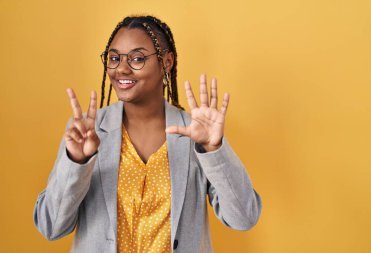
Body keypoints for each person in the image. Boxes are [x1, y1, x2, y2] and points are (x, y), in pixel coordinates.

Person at [33, 15, 262, 253]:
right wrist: (77, 163)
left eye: (137, 58)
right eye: (114, 58)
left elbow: (244, 218)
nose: (121, 68)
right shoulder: (87, 133)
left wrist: (214, 150)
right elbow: (51, 226)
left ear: (167, 62)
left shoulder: (196, 133)